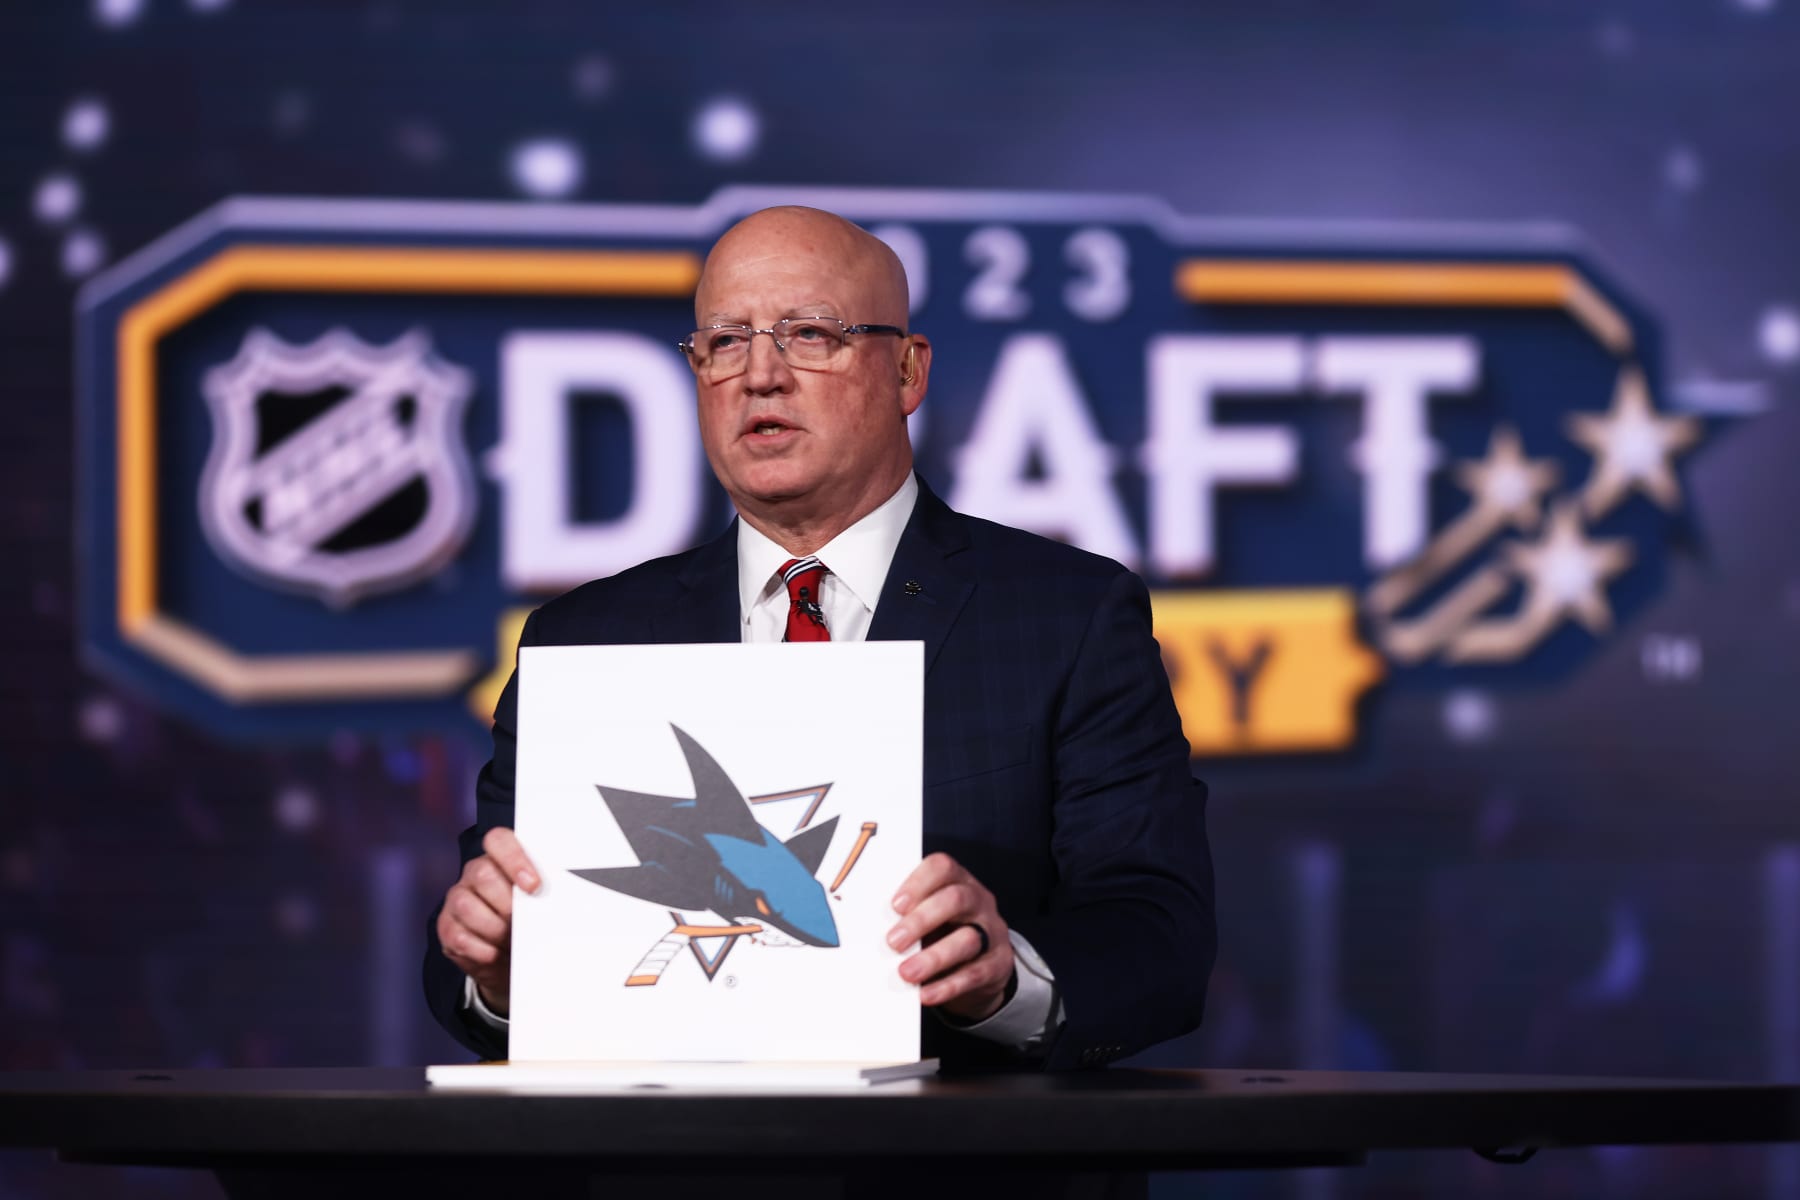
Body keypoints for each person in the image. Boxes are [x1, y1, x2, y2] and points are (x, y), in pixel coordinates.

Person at [424, 206, 1214, 1070]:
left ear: (907, 371)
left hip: (966, 1145)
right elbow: (468, 951)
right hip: (662, 1149)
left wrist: (1003, 981)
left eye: (809, 334)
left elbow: (1157, 938)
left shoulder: (1066, 616)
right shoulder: (582, 641)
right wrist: (499, 978)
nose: (760, 376)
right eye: (725, 342)